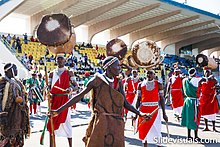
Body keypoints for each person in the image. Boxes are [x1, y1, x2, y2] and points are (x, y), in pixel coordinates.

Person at [50, 56, 151, 147]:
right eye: (117, 66)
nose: (119, 69)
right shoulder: (96, 80)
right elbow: (78, 96)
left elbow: (125, 103)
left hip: (116, 123)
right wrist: (58, 110)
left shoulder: (118, 82)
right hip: (101, 122)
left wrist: (140, 113)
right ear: (109, 67)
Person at [47, 54, 78, 147]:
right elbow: (49, 86)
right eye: (58, 59)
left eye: (61, 59)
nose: (59, 60)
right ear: (55, 61)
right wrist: (46, 89)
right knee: (51, 123)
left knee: (67, 122)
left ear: (65, 61)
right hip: (54, 100)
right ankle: (52, 145)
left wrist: (71, 89)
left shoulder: (69, 73)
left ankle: (70, 145)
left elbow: (76, 86)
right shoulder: (51, 74)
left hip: (65, 101)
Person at [0, 63, 30, 146]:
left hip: (18, 116)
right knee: (7, 139)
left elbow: (23, 96)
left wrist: (21, 101)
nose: (17, 71)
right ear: (10, 71)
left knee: (16, 140)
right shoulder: (2, 82)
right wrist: (1, 114)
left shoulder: (17, 82)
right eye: (15, 69)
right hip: (8, 116)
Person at [136, 70, 168, 147]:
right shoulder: (140, 84)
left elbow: (162, 98)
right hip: (143, 110)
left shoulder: (159, 84)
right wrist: (136, 112)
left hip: (155, 110)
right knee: (144, 130)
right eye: (147, 73)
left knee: (157, 129)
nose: (148, 75)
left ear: (154, 74)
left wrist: (164, 113)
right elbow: (138, 99)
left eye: (151, 73)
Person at [181, 68, 201, 140]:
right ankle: (196, 136)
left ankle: (189, 135)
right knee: (196, 118)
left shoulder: (184, 80)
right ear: (195, 73)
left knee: (188, 118)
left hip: (187, 101)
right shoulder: (197, 80)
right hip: (194, 102)